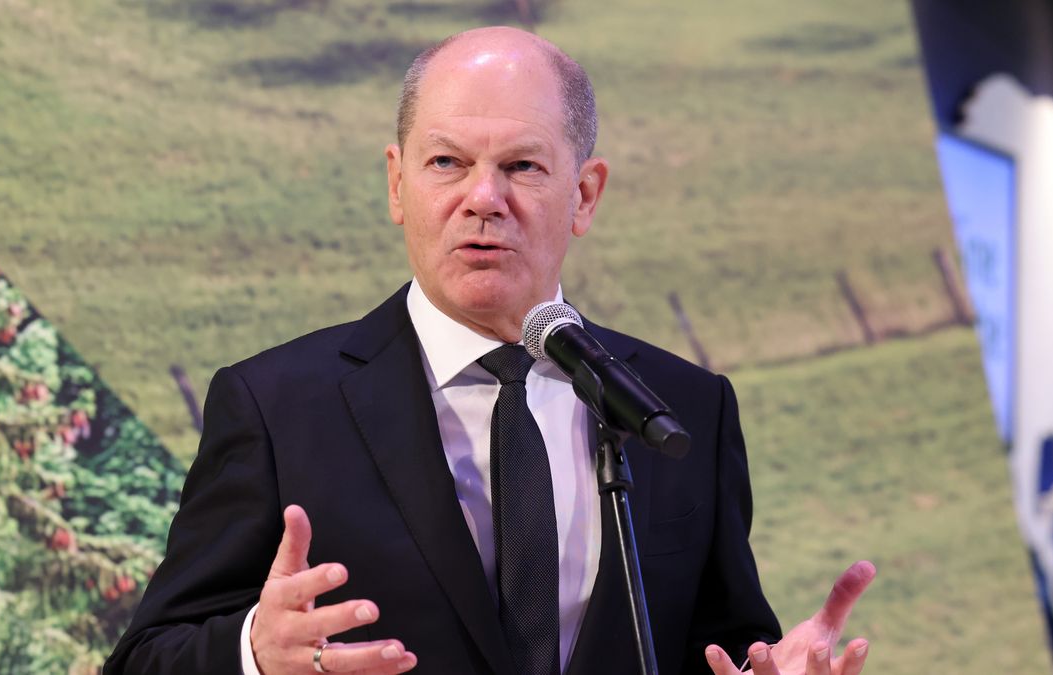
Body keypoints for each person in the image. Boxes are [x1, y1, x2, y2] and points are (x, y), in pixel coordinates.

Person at [104, 26, 875, 675]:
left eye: (522, 166)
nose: (482, 197)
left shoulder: (683, 410)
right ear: (396, 185)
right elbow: (145, 656)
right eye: (447, 163)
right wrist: (254, 651)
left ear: (584, 194)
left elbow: (721, 645)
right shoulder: (276, 405)